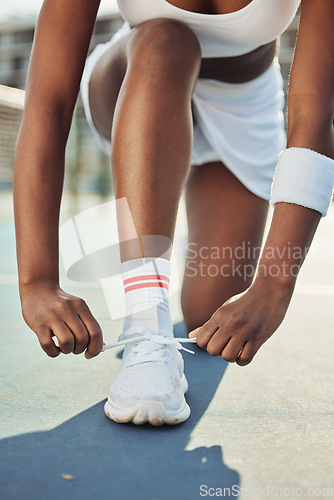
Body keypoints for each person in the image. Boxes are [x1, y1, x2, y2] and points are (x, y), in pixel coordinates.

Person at [14, 0, 334, 426]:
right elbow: (47, 105)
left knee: (212, 319)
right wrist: (37, 280)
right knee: (167, 38)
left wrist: (275, 283)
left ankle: (169, 219)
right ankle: (147, 322)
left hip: (243, 105)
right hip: (137, 76)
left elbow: (315, 112)